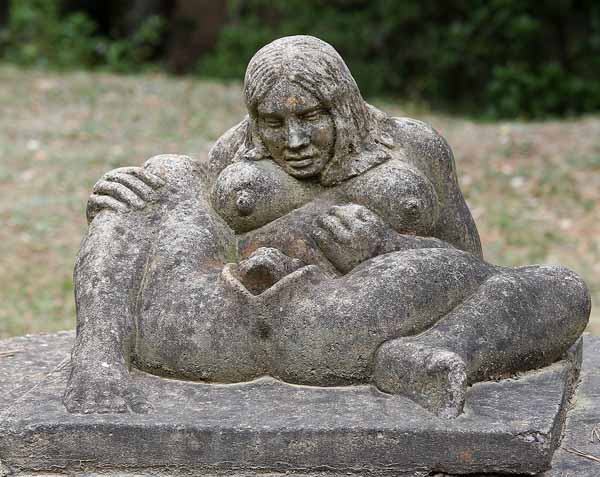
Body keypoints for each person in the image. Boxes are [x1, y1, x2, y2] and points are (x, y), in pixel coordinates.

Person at [65, 36, 590, 419]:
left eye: (311, 116)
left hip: (355, 318)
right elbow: (192, 230)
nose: (293, 140)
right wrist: (125, 198)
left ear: (342, 103)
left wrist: (390, 245)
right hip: (223, 324)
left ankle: (436, 352)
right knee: (151, 182)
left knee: (560, 289)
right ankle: (99, 360)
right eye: (272, 122)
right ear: (253, 117)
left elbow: (471, 265)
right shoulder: (233, 153)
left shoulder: (413, 146)